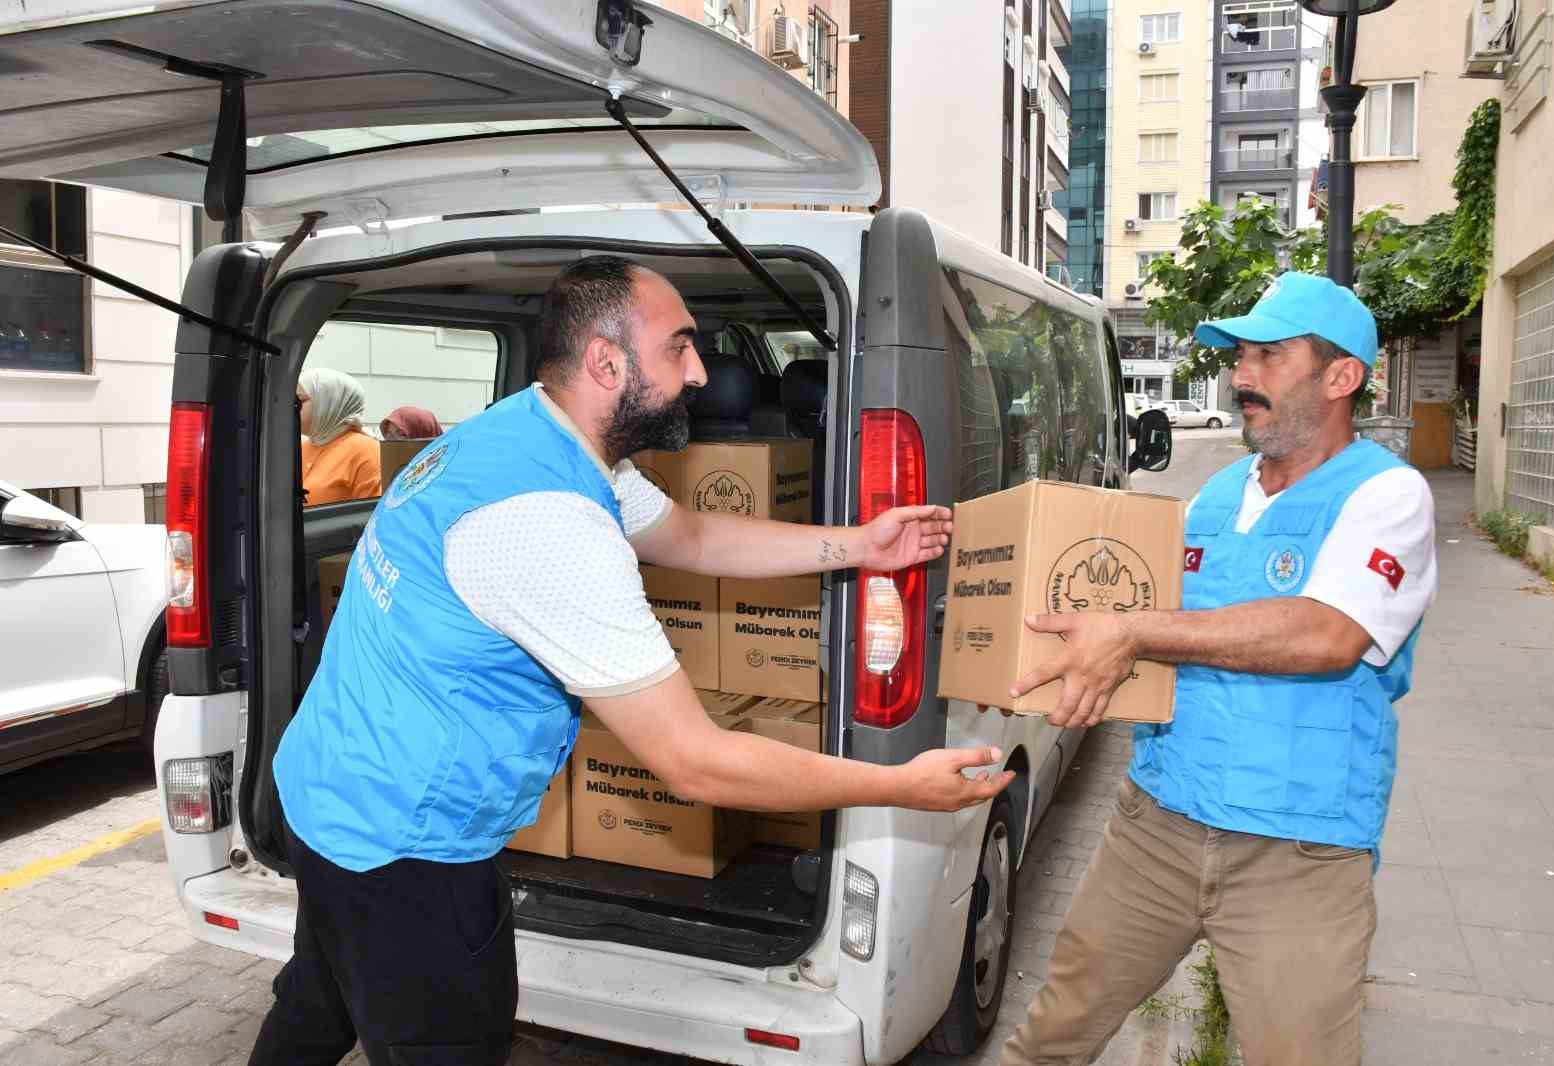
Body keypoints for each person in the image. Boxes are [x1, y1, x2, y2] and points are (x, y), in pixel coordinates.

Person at [250, 255, 1015, 1066]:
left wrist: (857, 546)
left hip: (326, 787)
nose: (698, 373)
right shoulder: (550, 521)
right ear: (605, 363)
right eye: (680, 347)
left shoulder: (534, 431)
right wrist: (900, 786)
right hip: (406, 846)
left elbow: (690, 536)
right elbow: (696, 763)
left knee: (321, 996)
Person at [997, 273, 1438, 1066]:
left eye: (1270, 356)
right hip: (1156, 826)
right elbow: (1151, 628)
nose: (1241, 377)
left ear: (1342, 378)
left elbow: (1329, 633)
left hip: (1297, 855)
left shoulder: (1388, 496)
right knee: (1049, 1039)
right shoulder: (1216, 495)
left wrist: (1129, 633)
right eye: (1240, 357)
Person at [298, 367, 381, 504]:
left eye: (301, 400)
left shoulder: (366, 451)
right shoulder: (303, 446)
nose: (293, 406)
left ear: (328, 403)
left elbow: (370, 516)